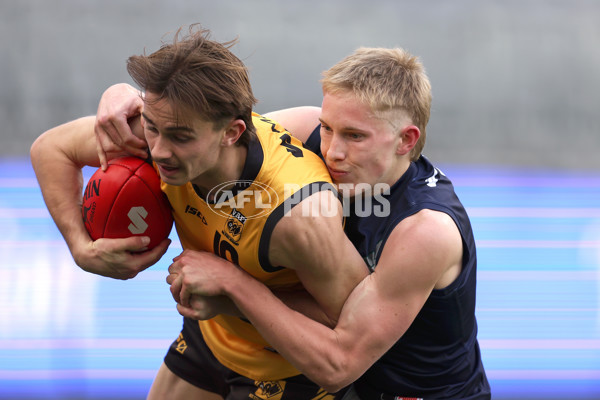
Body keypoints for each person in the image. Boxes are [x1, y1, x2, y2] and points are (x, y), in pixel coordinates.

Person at [30, 26, 369, 400]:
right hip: (211, 334)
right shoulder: (151, 141)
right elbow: (50, 149)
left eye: (180, 136)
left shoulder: (298, 215)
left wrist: (234, 289)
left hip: (289, 370)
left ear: (231, 132)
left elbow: (351, 328)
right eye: (152, 128)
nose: (158, 151)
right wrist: (80, 249)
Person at [165, 47, 493, 399]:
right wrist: (123, 101)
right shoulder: (306, 132)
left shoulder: (424, 230)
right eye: (328, 128)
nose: (332, 151)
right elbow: (210, 137)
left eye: (355, 136)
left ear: (406, 140)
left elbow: (339, 363)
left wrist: (232, 286)